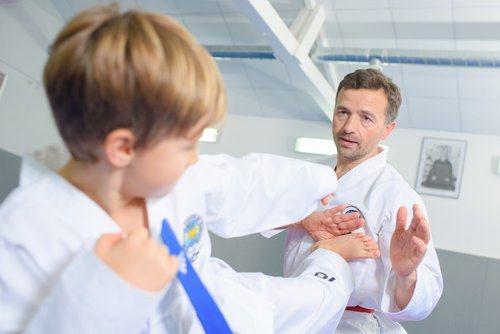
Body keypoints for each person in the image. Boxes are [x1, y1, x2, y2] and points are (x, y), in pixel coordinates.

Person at [0, 6, 380, 333]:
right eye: (187, 145)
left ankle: (329, 260)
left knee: (313, 298)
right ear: (123, 148)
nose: (194, 157)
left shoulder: (157, 173)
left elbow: (238, 182)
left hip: (210, 298)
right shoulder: (26, 238)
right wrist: (103, 295)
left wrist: (314, 190)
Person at [283, 69, 443, 333]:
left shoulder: (396, 195)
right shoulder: (309, 175)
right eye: (342, 112)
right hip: (298, 314)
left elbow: (426, 299)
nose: (348, 127)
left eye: (366, 118)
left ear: (387, 129)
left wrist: (406, 276)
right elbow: (261, 211)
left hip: (351, 325)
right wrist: (302, 221)